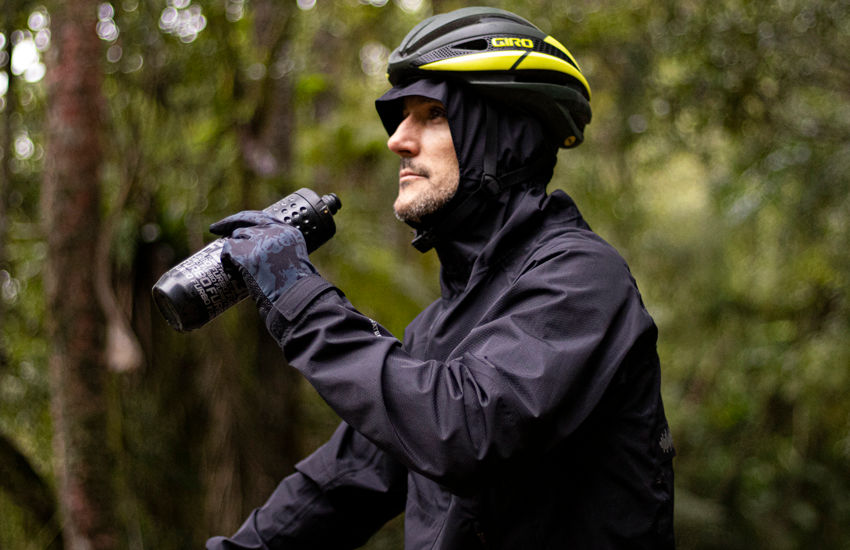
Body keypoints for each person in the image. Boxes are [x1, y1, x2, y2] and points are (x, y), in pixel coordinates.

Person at [206, 6, 675, 549]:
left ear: (507, 136)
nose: (397, 141)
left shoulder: (583, 279)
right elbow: (340, 486)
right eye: (402, 116)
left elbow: (463, 429)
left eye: (433, 114)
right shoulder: (439, 329)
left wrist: (298, 295)